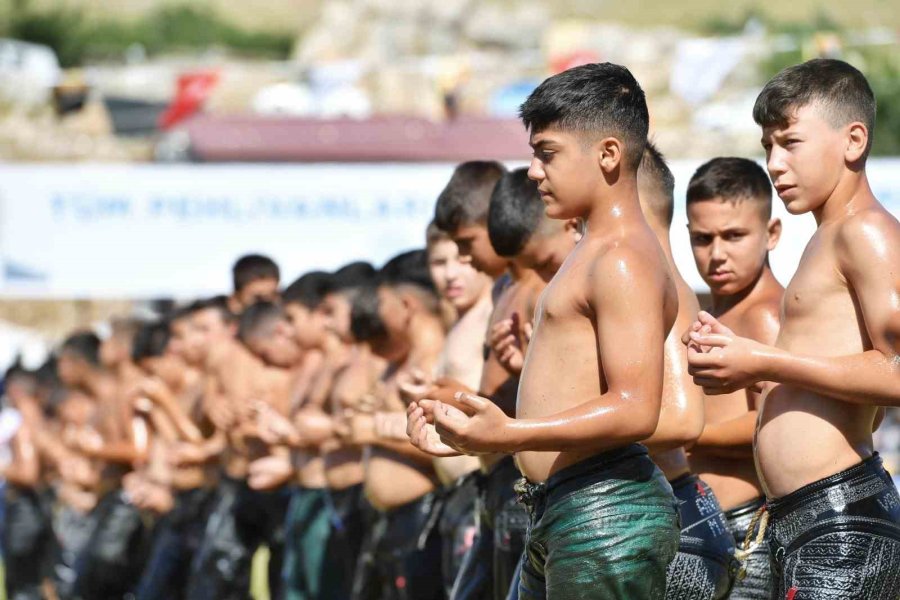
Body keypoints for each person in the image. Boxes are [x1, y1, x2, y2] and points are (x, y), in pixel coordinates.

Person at [411, 62, 680, 599]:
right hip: (563, 508)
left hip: (605, 516)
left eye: (547, 153)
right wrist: (474, 434)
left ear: (608, 154)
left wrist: (510, 434)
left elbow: (636, 407)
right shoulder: (593, 251)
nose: (533, 171)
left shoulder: (622, 258)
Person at [686, 58, 900, 598]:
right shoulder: (827, 238)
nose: (775, 164)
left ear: (853, 141)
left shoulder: (867, 232)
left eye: (790, 143)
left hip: (842, 522)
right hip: (804, 521)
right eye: (767, 146)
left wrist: (763, 361)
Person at [635, 145, 734, 600]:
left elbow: (681, 421)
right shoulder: (641, 283)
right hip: (666, 515)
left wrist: (548, 434)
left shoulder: (660, 284)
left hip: (675, 521)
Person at [683, 156, 783, 599]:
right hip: (707, 529)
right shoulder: (716, 312)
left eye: (734, 235)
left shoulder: (766, 314)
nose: (717, 253)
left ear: (771, 233)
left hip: (747, 534)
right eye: (703, 238)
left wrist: (688, 436)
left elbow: (777, 423)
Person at [347, 250, 447, 600]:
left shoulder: (433, 361)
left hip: (422, 517)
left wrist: (373, 431)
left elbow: (449, 447)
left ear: (406, 304)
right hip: (387, 522)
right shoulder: (399, 361)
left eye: (383, 300)